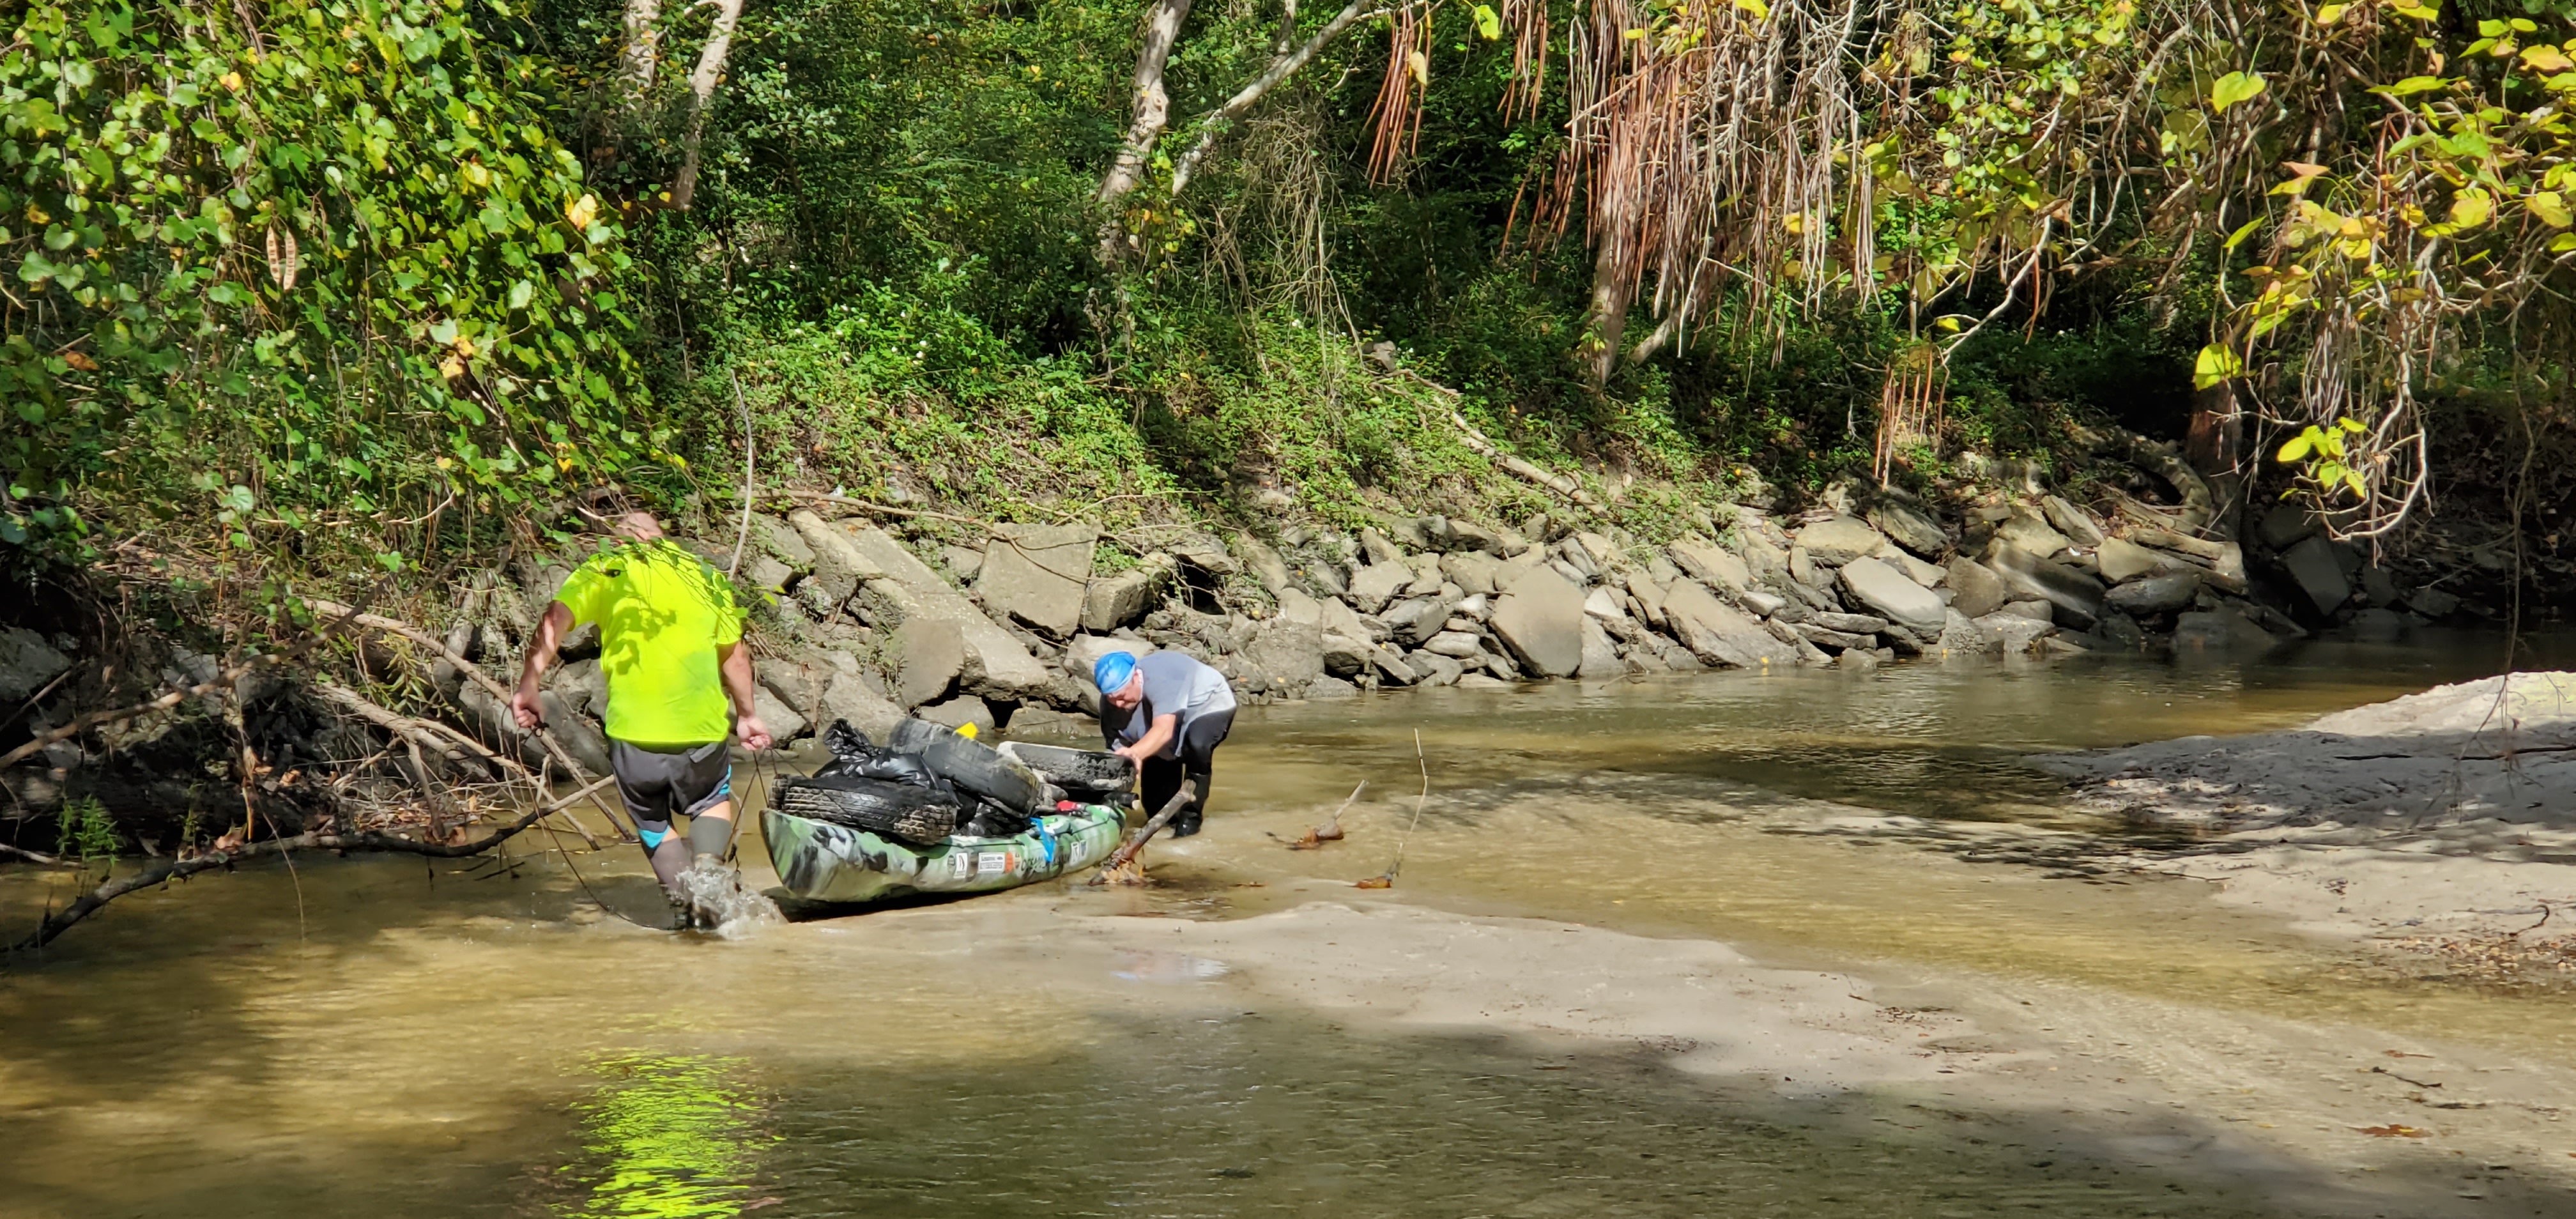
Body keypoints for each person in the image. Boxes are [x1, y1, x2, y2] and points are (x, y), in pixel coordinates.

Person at [511, 511, 772, 926]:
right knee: (709, 802)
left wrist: (529, 684)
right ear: (662, 538)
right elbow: (735, 655)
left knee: (652, 821)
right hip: (700, 728)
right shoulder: (701, 575)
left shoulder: (605, 567)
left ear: (617, 540)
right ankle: (708, 867)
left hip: (634, 735)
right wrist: (748, 716)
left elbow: (554, 620)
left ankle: (690, 906)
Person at [1094, 650, 1234, 838]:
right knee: (1156, 811)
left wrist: (1135, 753)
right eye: (1112, 698)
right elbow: (1116, 752)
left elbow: (1164, 730)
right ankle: (1168, 824)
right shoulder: (1111, 704)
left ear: (1136, 676)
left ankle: (1190, 818)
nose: (1118, 704)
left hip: (1207, 705)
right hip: (1157, 719)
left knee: (1196, 745)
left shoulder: (1162, 678)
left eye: (1122, 696)